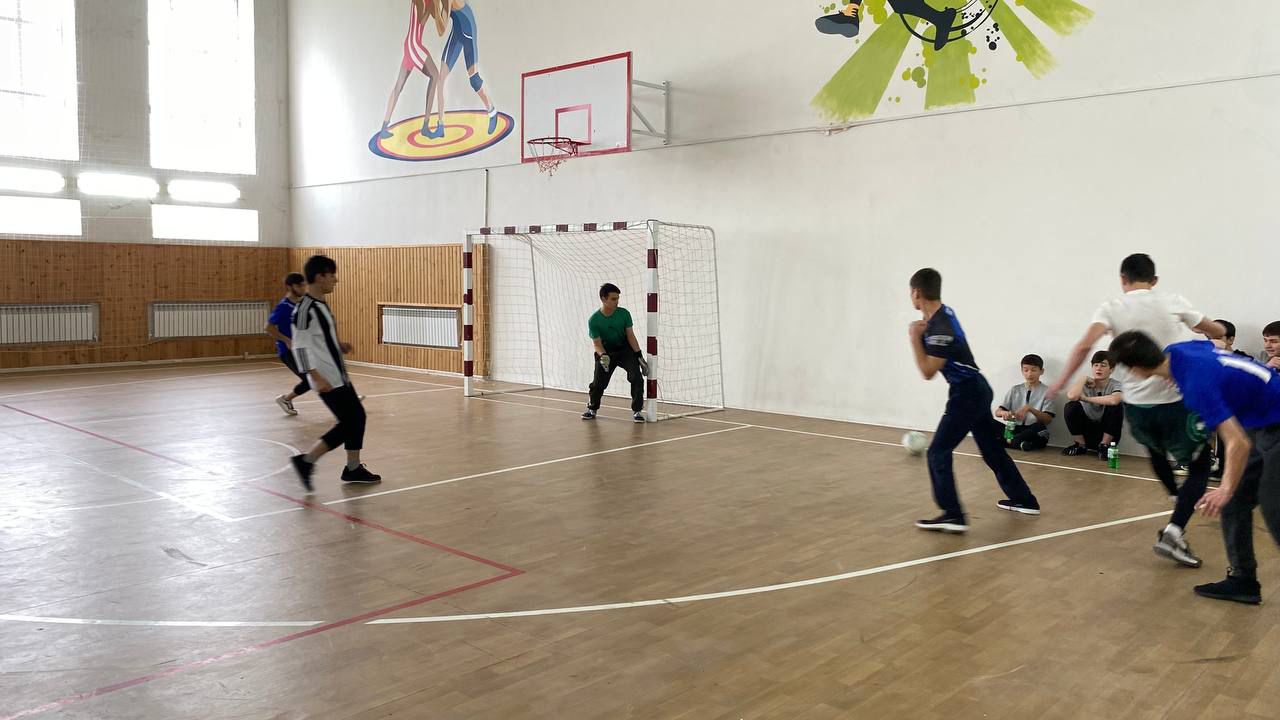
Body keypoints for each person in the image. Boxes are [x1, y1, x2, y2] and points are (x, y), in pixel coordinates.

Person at [1046, 253, 1224, 568]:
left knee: (1155, 450)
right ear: (1154, 280)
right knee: (1199, 466)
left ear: (1122, 279)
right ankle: (1174, 529)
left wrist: (1061, 380)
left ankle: (1175, 496)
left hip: (1137, 404)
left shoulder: (1111, 307)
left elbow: (1084, 346)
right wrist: (1211, 334)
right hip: (1175, 400)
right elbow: (1216, 330)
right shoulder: (1172, 301)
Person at [1109, 332, 1280, 605]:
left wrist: (1225, 488)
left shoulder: (1196, 386)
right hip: (1262, 423)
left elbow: (1237, 443)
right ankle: (1243, 581)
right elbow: (1218, 342)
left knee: (1274, 509)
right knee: (1235, 504)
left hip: (1273, 425)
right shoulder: (1177, 349)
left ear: (1135, 369)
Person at [908, 268, 1040, 534]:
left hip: (967, 392)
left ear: (916, 292)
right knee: (991, 449)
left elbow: (927, 371)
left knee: (938, 451)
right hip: (977, 388)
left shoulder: (940, 328)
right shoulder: (943, 315)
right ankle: (1025, 500)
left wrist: (914, 338)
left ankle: (953, 514)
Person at [289, 255, 381, 491]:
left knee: (357, 418)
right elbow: (299, 346)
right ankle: (307, 461)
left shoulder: (321, 304)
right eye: (332, 275)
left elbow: (319, 337)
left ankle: (353, 468)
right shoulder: (304, 309)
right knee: (349, 422)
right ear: (320, 277)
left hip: (337, 374)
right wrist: (314, 376)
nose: (335, 280)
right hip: (325, 378)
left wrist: (338, 345)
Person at [378, 0, 447, 140]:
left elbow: (438, 22)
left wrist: (442, 6)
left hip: (410, 44)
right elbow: (422, 20)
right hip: (414, 45)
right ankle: (425, 126)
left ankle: (384, 127)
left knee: (398, 86)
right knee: (435, 75)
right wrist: (434, 6)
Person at [581, 283, 649, 424]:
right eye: (613, 299)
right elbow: (597, 344)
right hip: (606, 352)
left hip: (624, 350)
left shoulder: (624, 314)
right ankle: (592, 409)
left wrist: (639, 356)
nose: (616, 301)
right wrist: (603, 356)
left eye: (617, 298)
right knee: (598, 383)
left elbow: (630, 336)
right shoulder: (594, 320)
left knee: (637, 378)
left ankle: (637, 411)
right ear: (603, 299)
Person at [435, 0, 500, 135]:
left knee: (474, 80)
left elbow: (441, 30)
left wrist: (435, 6)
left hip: (468, 30)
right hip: (457, 30)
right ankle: (440, 126)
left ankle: (492, 112)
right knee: (440, 80)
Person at [1061, 350, 1124, 459]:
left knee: (1116, 406)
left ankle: (1104, 446)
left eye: (1103, 365)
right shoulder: (1084, 384)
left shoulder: (1116, 384)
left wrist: (1085, 398)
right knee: (1071, 406)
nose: (1098, 368)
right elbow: (1071, 396)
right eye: (1096, 365)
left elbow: (1114, 400)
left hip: (1108, 435)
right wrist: (1083, 378)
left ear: (1111, 369)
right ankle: (1080, 445)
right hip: (1087, 434)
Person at [264, 273, 310, 416]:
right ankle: (285, 399)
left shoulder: (303, 304)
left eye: (304, 285)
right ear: (290, 287)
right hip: (288, 351)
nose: (303, 288)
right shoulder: (283, 306)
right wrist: (287, 340)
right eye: (299, 286)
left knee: (323, 374)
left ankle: (345, 399)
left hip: (303, 348)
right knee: (310, 380)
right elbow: (269, 328)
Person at [995, 354, 1055, 451]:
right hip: (1013, 427)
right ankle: (1021, 444)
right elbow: (997, 412)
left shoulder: (1048, 392)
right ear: (1022, 371)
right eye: (1026, 370)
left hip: (1032, 430)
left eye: (1034, 370)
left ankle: (1009, 442)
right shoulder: (1015, 389)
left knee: (1040, 429)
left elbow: (1048, 420)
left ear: (1041, 371)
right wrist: (1004, 413)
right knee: (988, 422)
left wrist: (1030, 408)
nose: (1029, 374)